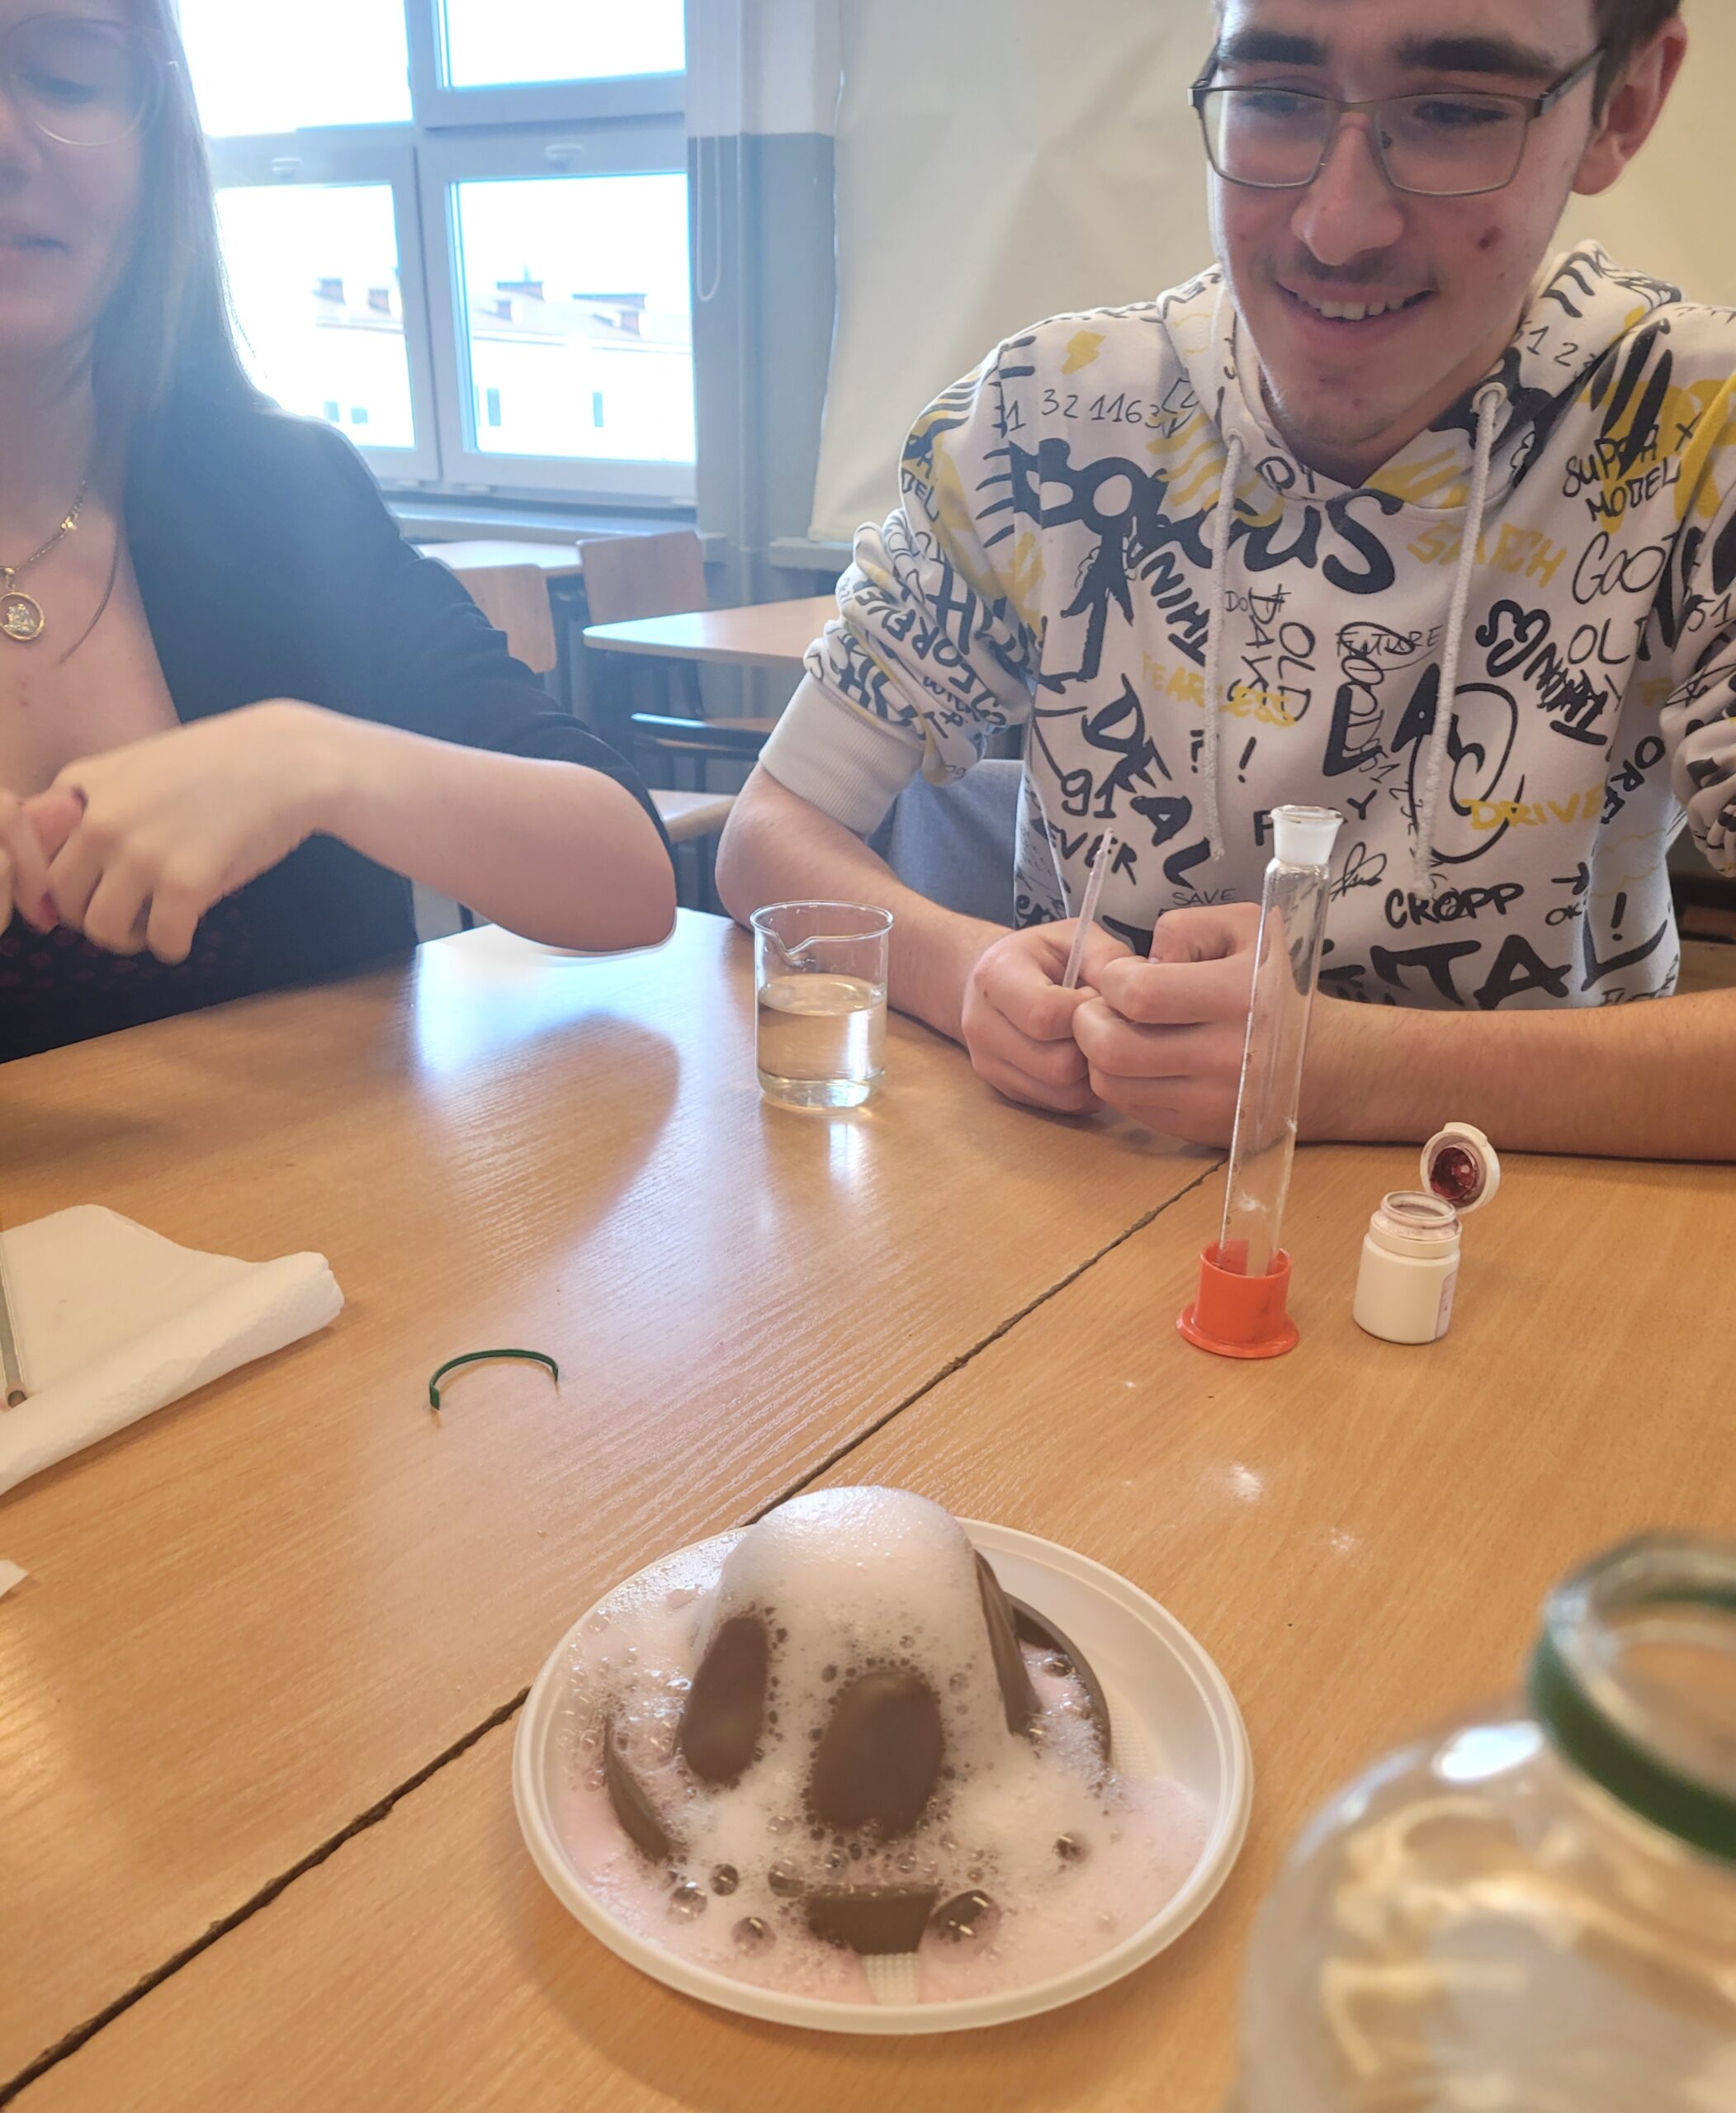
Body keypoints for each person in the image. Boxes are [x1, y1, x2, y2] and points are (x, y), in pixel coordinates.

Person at [717, 0, 1736, 1160]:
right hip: (1095, 1184)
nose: (1336, 227)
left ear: (1623, 104)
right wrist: (967, 972)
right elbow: (771, 831)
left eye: (1454, 112)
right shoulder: (1051, 419)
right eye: (1276, 99)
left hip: (1523, 1211)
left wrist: (1345, 1069)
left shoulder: (1699, 437)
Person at [0, 0, 676, 1065]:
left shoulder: (282, 492)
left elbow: (631, 877)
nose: (6, 143)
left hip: (334, 1177)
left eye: (65, 78)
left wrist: (311, 759)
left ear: (154, 149)